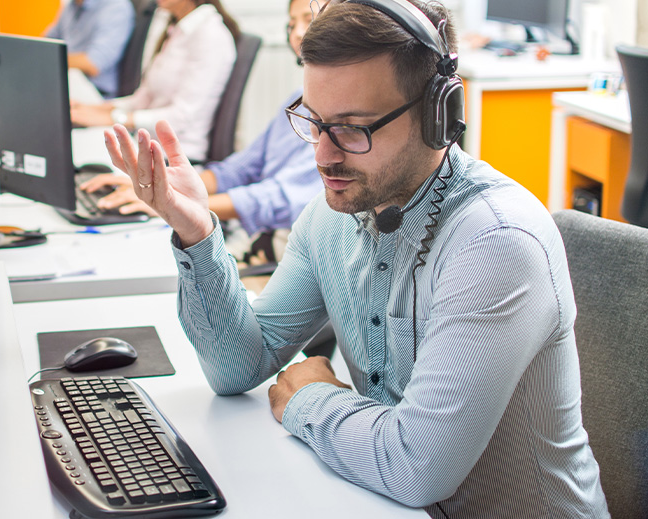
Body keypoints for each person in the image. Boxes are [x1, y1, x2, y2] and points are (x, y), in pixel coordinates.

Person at [102, 0, 610, 517]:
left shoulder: (496, 242)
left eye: (352, 128)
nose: (322, 156)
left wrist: (311, 395)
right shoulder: (333, 216)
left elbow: (417, 468)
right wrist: (198, 231)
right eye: (315, 121)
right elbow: (238, 368)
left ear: (437, 115)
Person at [79, 0, 322, 259]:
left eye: (308, 20)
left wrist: (174, 202)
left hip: (284, 248)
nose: (296, 33)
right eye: (291, 24)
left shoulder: (339, 115)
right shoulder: (297, 99)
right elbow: (240, 169)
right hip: (254, 229)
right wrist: (161, 186)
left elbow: (279, 200)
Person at [70, 0, 239, 162]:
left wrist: (114, 118)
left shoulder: (210, 36)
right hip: (144, 145)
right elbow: (142, 99)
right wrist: (94, 109)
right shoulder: (176, 29)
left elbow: (180, 118)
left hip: (172, 157)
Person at [42, 0, 135, 99]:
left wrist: (47, 59)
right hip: (67, 80)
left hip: (95, 92)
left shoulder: (115, 7)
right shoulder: (71, 6)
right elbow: (46, 44)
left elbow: (93, 64)